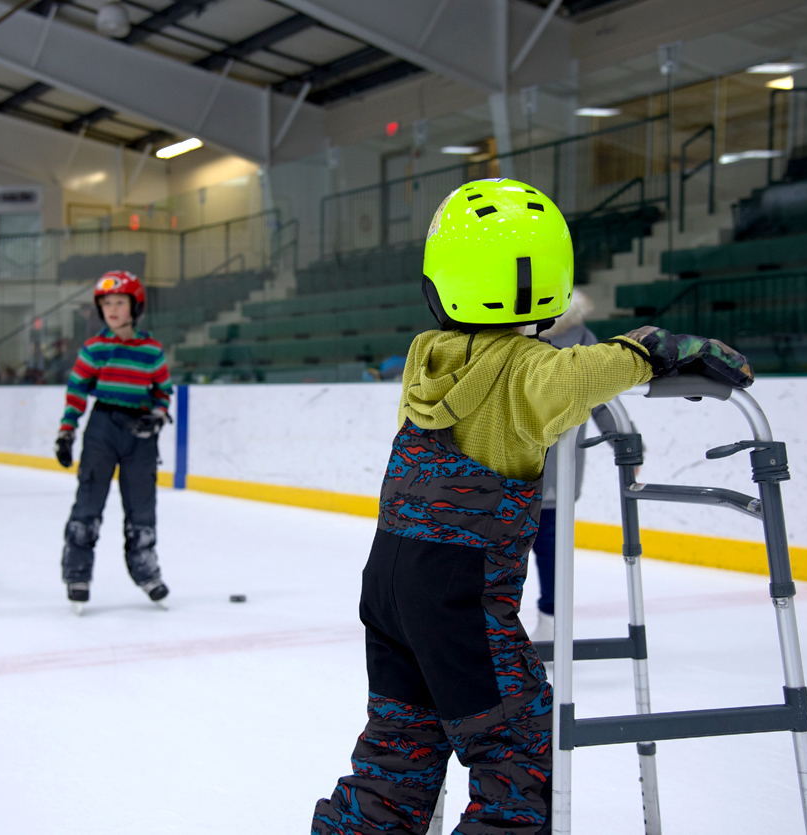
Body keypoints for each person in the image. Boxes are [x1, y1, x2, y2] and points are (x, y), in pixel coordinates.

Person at [311, 179, 753, 835]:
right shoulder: (529, 372)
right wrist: (655, 348)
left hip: (389, 588)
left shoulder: (423, 357)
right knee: (519, 758)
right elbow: (585, 371)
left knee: (396, 753)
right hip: (462, 601)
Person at [54, 270, 172, 614]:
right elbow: (76, 391)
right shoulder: (94, 348)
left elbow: (162, 391)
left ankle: (145, 570)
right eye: (107, 304)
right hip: (103, 429)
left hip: (140, 435)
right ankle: (77, 573)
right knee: (89, 501)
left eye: (120, 303)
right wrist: (66, 431)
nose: (113, 310)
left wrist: (158, 414)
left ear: (135, 307)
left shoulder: (151, 350)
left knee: (142, 506)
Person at [524, 289, 617, 643]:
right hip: (551, 469)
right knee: (546, 544)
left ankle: (545, 621)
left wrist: (623, 441)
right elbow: (606, 403)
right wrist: (623, 440)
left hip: (528, 467)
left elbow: (603, 400)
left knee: (526, 543)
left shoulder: (525, 339)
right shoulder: (581, 342)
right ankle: (549, 620)